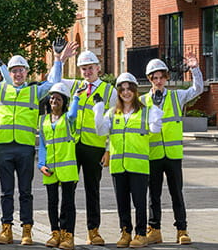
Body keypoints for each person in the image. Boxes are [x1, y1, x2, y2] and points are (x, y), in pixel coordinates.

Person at [0, 42, 73, 245]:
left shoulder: (35, 91)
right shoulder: (1, 89)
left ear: (26, 72)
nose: (18, 74)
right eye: (14, 71)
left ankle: (27, 230)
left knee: (25, 192)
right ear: (9, 73)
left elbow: (53, 83)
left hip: (24, 148)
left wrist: (58, 59)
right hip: (4, 148)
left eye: (21, 70)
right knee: (6, 192)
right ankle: (6, 229)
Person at [48, 49, 117, 245]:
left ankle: (93, 231)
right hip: (72, 146)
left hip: (94, 147)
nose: (87, 72)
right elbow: (54, 81)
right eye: (84, 68)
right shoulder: (74, 86)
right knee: (68, 189)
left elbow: (114, 120)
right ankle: (65, 231)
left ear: (98, 68)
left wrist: (109, 149)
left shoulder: (109, 91)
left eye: (90, 68)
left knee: (92, 190)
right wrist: (59, 59)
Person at [93, 72, 165, 248]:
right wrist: (98, 109)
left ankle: (140, 234)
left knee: (140, 202)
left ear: (134, 90)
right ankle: (125, 232)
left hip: (138, 166)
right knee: (122, 202)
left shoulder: (145, 112)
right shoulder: (112, 113)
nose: (125, 92)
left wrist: (156, 108)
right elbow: (101, 131)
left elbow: (155, 129)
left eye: (129, 89)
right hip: (118, 166)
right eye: (122, 89)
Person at [143, 57, 202, 245]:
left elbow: (197, 89)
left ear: (166, 78)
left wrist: (195, 70)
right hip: (153, 155)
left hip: (173, 155)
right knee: (154, 195)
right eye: (155, 78)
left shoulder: (176, 97)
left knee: (177, 193)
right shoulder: (142, 101)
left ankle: (182, 230)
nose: (158, 81)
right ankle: (154, 230)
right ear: (149, 79)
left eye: (161, 77)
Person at [37, 82, 82, 250]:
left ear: (64, 102)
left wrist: (76, 96)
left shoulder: (68, 120)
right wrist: (41, 164)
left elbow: (72, 115)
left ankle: (67, 234)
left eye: (58, 98)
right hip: (50, 170)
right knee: (52, 203)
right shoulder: (43, 121)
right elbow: (42, 144)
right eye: (52, 98)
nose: (54, 100)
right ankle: (55, 232)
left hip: (67, 168)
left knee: (68, 204)